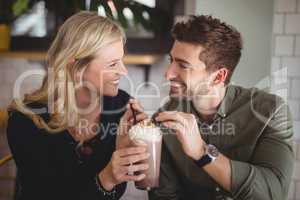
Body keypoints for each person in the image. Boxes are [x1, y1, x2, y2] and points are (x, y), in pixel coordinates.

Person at [6, 11, 149, 200]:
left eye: (121, 60)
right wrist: (106, 178)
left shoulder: (122, 106)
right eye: (113, 64)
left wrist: (133, 148)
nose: (123, 71)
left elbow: (132, 186)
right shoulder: (25, 121)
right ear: (76, 67)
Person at [149, 15, 294, 200]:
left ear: (218, 77)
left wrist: (202, 152)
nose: (168, 73)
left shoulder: (270, 111)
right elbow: (165, 197)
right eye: (171, 61)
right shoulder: (164, 118)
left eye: (183, 65)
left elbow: (272, 193)